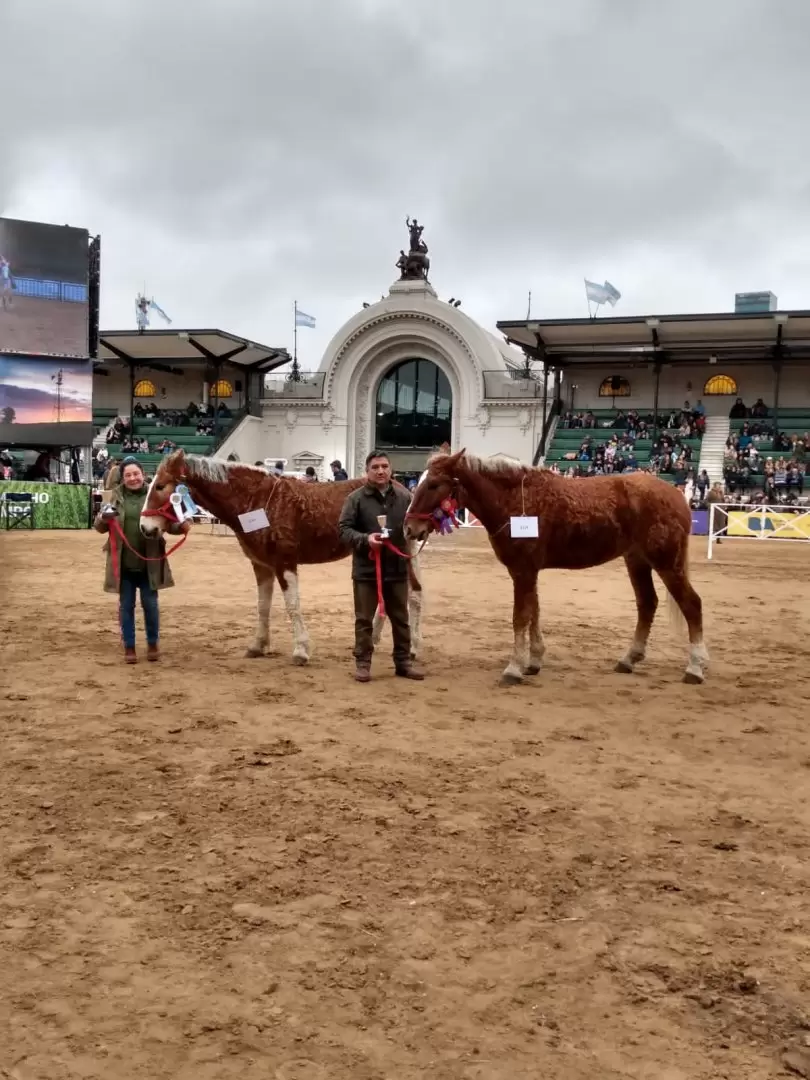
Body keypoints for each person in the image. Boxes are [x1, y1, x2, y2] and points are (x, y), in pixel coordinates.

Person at [94, 456, 191, 664]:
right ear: (122, 478)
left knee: (151, 605)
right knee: (125, 607)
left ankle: (153, 643)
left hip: (150, 562)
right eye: (128, 475)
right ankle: (129, 647)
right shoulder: (114, 497)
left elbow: (168, 523)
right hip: (123, 563)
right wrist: (103, 517)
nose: (132, 478)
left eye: (136, 474)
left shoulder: (155, 494)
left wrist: (180, 526)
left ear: (142, 475)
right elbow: (99, 527)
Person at [338, 450, 423, 683]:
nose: (381, 471)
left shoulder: (405, 498)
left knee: (400, 618)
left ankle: (403, 662)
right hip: (366, 570)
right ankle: (363, 663)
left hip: (396, 567)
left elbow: (414, 524)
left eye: (384, 466)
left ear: (391, 469)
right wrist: (366, 539)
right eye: (375, 467)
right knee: (364, 619)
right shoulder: (355, 499)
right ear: (367, 471)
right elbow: (343, 530)